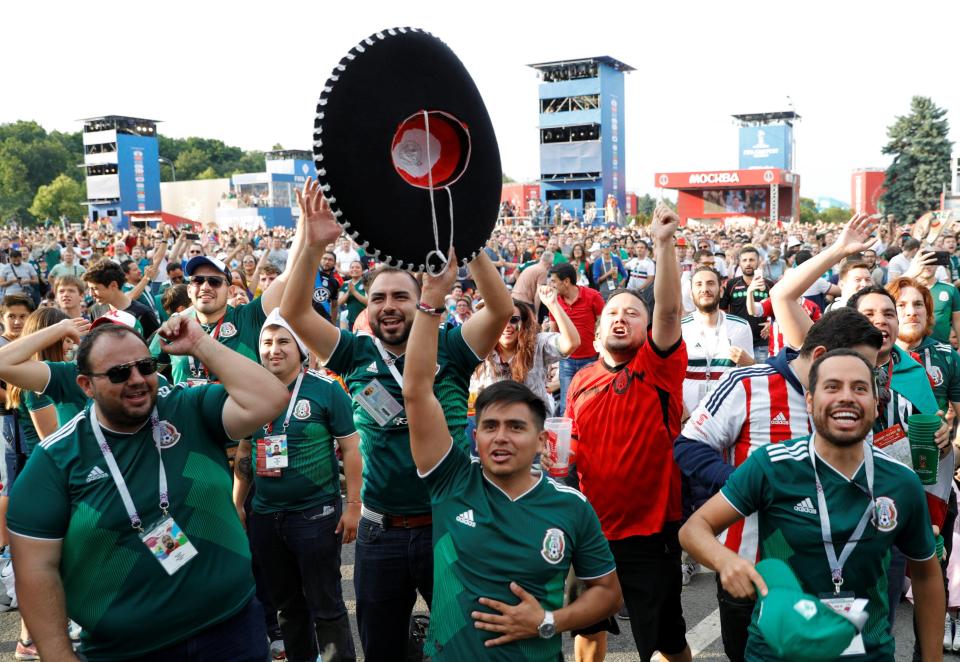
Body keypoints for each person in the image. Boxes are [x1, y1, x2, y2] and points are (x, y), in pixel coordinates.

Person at [280, 178, 513, 661]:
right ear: (368, 306)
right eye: (379, 298)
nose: (389, 306)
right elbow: (294, 312)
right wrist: (315, 243)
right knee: (382, 648)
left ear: (422, 299)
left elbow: (501, 308)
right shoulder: (355, 352)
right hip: (380, 532)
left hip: (446, 523)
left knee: (461, 645)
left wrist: (468, 245)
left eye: (401, 297)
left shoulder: (451, 347)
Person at [6, 314, 289, 661]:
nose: (137, 379)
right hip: (128, 650)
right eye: (119, 373)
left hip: (230, 630)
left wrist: (201, 344)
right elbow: (35, 570)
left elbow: (272, 399)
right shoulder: (56, 459)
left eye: (145, 366)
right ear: (85, 385)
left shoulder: (187, 408)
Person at [401, 259, 622, 660]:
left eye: (515, 427)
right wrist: (431, 298)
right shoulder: (451, 480)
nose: (500, 437)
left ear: (541, 440)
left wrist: (550, 621)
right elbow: (417, 390)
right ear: (476, 434)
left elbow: (607, 593)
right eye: (490, 426)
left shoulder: (570, 506)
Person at [679, 349, 946, 660]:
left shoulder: (901, 482)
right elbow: (694, 529)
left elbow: (927, 575)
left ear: (876, 405)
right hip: (776, 652)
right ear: (809, 401)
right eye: (832, 387)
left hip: (868, 654)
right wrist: (725, 561)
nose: (846, 397)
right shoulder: (771, 466)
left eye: (859, 388)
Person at [674, 308, 883, 661]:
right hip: (750, 570)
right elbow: (689, 445)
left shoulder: (853, 401)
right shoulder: (746, 383)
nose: (865, 379)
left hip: (829, 577)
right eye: (859, 363)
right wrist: (745, 485)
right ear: (821, 357)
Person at [558, 204, 691, 662]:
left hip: (650, 535)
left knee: (665, 646)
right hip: (589, 531)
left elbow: (670, 310)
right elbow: (570, 451)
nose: (621, 317)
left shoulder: (659, 367)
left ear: (647, 327)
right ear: (596, 334)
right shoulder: (580, 381)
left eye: (633, 313)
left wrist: (662, 244)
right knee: (587, 631)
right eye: (613, 311)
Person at [233, 311, 361, 662]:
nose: (274, 349)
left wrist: (353, 506)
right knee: (287, 607)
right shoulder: (250, 392)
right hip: (266, 517)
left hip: (315, 515)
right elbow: (246, 449)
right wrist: (238, 503)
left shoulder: (325, 390)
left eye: (283, 341)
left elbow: (350, 448)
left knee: (326, 604)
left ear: (300, 348)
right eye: (267, 342)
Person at [472, 286, 580, 417]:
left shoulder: (537, 344)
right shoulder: (480, 350)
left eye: (513, 320)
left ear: (523, 323)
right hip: (497, 426)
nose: (507, 326)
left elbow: (572, 343)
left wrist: (553, 305)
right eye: (500, 320)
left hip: (533, 427)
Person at [680, 266, 754, 418]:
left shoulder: (741, 327)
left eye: (710, 283)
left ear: (721, 290)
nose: (705, 289)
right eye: (699, 284)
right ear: (691, 293)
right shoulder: (680, 328)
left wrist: (750, 363)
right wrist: (684, 418)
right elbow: (670, 381)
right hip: (687, 421)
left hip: (728, 420)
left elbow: (751, 376)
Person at [0, 294, 34, 555]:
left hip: (28, 419)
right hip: (8, 420)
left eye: (23, 316)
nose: (17, 321)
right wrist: (19, 393)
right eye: (11, 316)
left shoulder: (33, 343)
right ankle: (5, 549)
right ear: (2, 318)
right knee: (10, 482)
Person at [547, 263, 604, 417]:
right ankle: (569, 439)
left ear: (566, 281)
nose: (551, 285)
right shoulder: (554, 301)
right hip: (567, 361)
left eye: (553, 281)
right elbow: (553, 333)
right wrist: (552, 362)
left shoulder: (593, 296)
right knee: (567, 404)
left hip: (591, 360)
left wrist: (602, 355)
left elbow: (603, 325)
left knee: (592, 402)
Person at [82, 259, 160, 339]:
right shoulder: (96, 309)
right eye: (90, 289)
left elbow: (155, 347)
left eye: (95, 288)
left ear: (113, 285)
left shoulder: (144, 313)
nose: (91, 294)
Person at [721, 246, 774, 361]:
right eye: (744, 260)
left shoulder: (769, 285)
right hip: (737, 341)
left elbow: (779, 311)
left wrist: (771, 324)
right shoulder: (731, 284)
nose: (748, 263)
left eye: (752, 260)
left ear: (758, 261)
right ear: (739, 263)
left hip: (761, 342)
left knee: (760, 376)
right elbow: (722, 309)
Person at [337, 260, 367, 330]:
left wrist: (354, 292)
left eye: (357, 267)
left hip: (364, 318)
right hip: (351, 319)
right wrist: (348, 292)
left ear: (362, 271)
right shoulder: (345, 284)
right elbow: (339, 302)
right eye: (352, 267)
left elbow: (369, 302)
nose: (354, 269)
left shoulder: (366, 283)